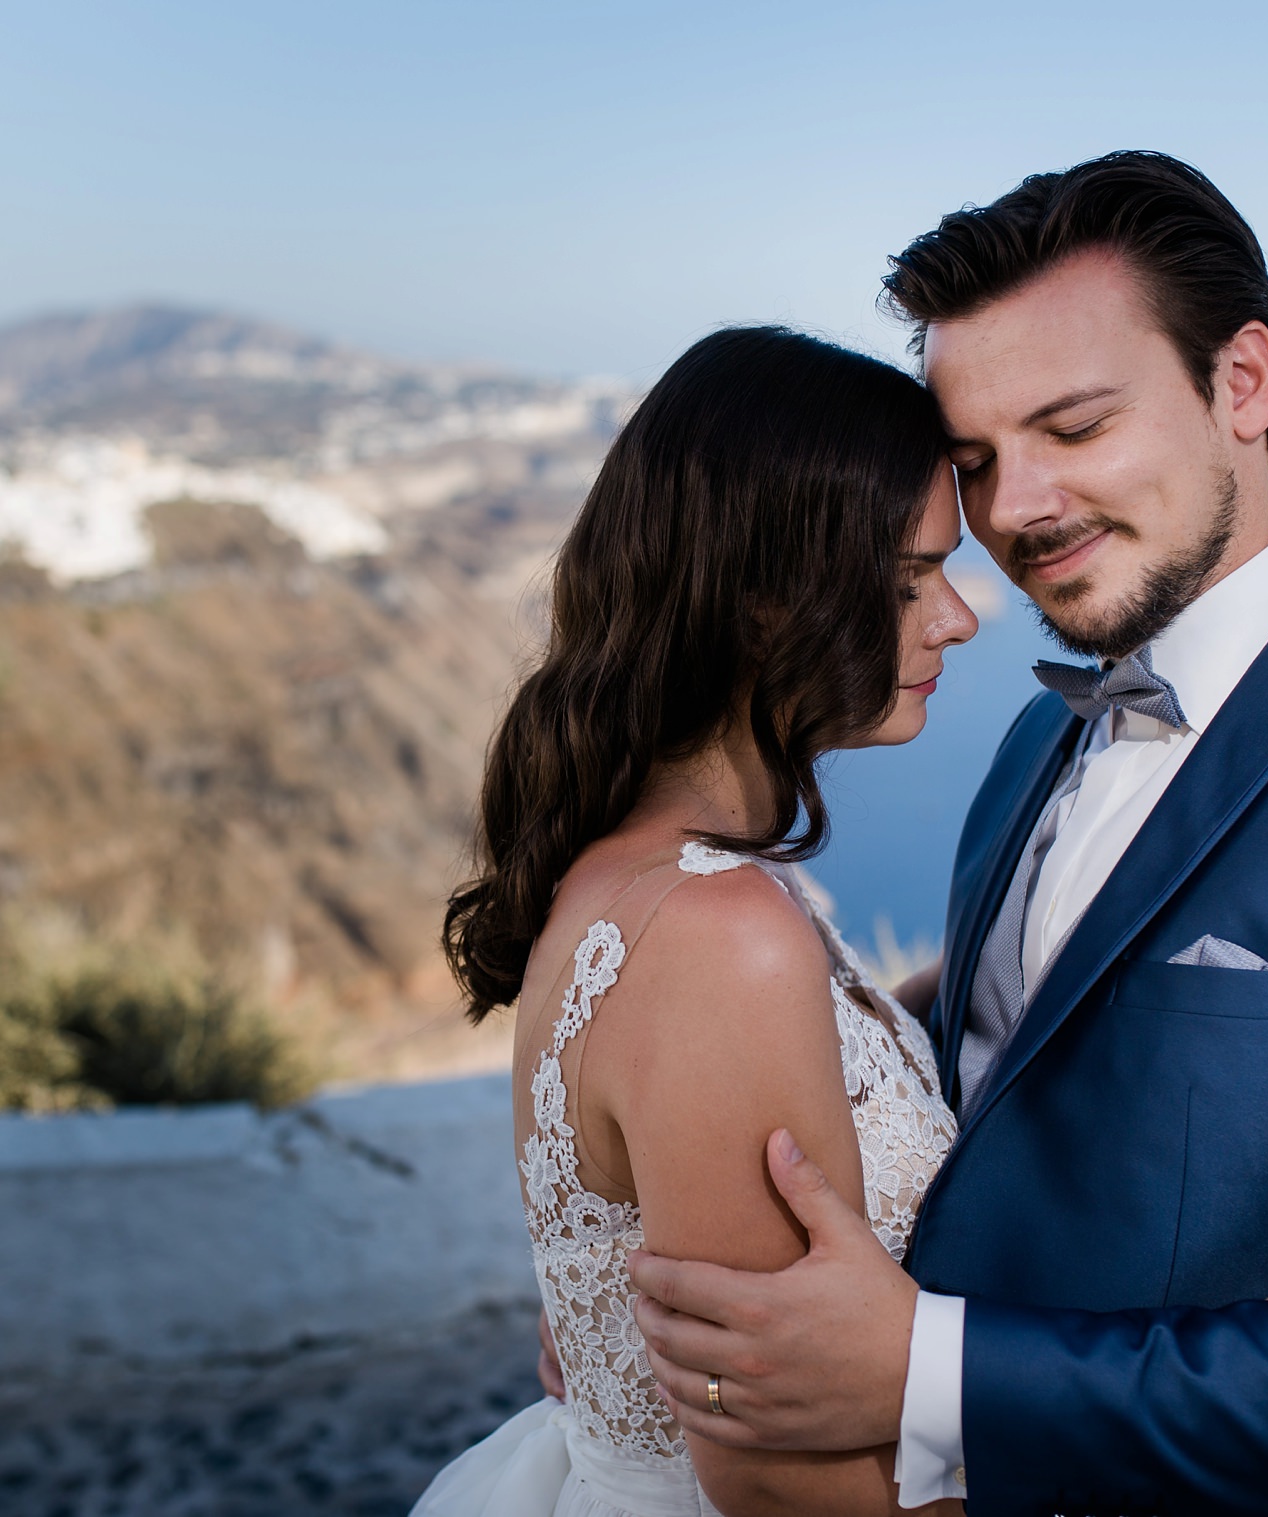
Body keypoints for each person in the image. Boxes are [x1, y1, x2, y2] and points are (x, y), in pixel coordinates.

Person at [625, 151, 1268, 1515]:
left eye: (1075, 427)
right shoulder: (1039, 736)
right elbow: (1012, 1077)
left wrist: (921, 1371)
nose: (1016, 510)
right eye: (978, 460)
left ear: (1244, 383)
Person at [412, 324, 978, 1516]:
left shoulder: (652, 874)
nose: (957, 615)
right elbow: (772, 1476)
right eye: (907, 578)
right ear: (766, 604)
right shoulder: (720, 934)